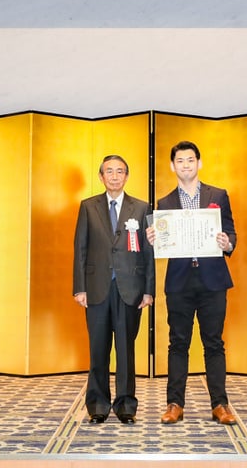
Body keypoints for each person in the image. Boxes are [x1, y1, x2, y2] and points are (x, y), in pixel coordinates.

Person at [146, 140, 238, 425]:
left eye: (190, 160)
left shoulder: (218, 195)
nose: (185, 165)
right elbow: (163, 243)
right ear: (172, 166)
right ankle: (175, 404)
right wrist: (154, 239)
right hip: (180, 282)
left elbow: (231, 232)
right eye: (180, 161)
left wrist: (227, 242)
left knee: (214, 343)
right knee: (178, 343)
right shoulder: (164, 203)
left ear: (199, 163)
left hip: (213, 281)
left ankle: (220, 405)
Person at [73, 154, 155, 424]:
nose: (115, 176)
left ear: (127, 176)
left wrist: (148, 290)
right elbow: (80, 248)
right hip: (96, 289)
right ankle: (97, 405)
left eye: (120, 171)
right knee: (98, 350)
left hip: (130, 289)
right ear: (101, 176)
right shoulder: (88, 207)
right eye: (109, 171)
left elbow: (149, 252)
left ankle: (126, 406)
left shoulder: (141, 208)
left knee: (125, 351)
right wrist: (79, 288)